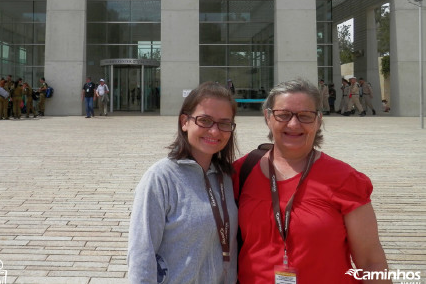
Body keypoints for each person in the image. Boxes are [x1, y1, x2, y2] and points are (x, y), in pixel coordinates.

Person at [233, 78, 390, 284]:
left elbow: (371, 262)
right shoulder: (240, 172)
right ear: (268, 117)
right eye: (283, 115)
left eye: (305, 116)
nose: (293, 124)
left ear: (318, 120)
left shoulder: (344, 179)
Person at [128, 81, 239, 284]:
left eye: (224, 123)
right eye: (205, 120)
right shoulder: (161, 178)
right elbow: (141, 255)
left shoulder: (227, 178)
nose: (215, 131)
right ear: (184, 122)